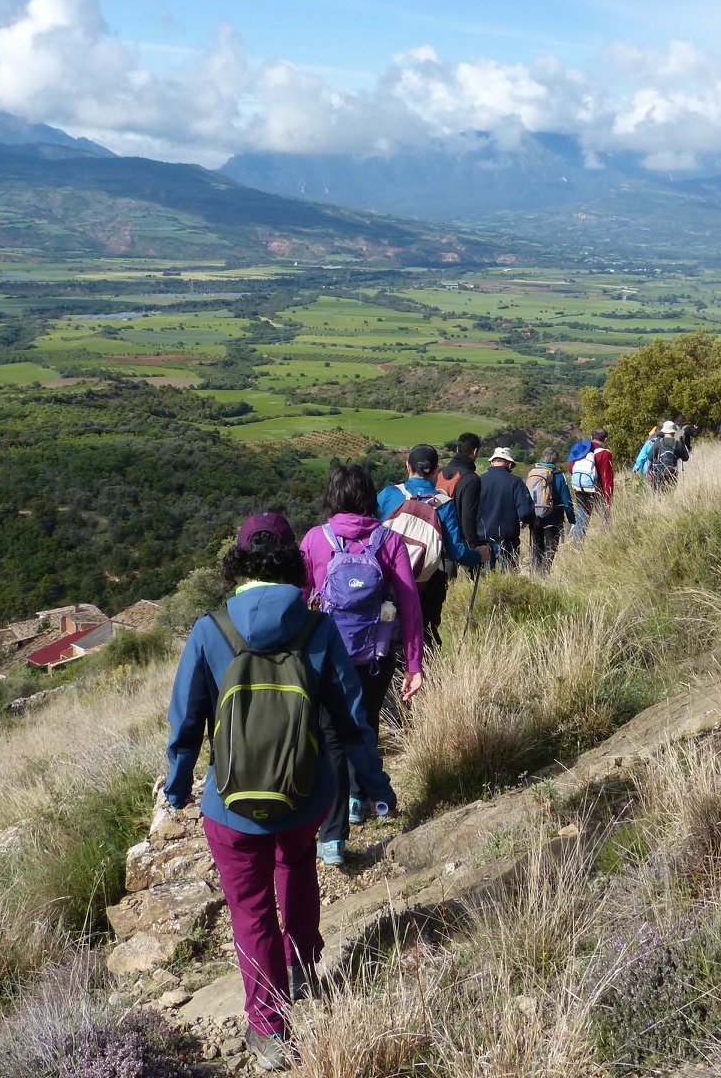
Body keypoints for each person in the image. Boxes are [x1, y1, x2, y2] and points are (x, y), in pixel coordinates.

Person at [163, 513, 395, 1071]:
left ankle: (269, 1030)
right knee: (297, 867)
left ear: (238, 563)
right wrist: (375, 785)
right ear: (293, 559)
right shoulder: (318, 629)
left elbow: (185, 723)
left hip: (231, 804)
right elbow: (353, 717)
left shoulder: (210, 630)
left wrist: (176, 787)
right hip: (303, 792)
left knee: (249, 909)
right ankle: (304, 965)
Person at [300, 464, 423, 868]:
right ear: (370, 496)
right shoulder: (389, 541)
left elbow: (301, 602)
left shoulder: (316, 541)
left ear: (332, 496)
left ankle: (333, 837)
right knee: (365, 725)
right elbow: (409, 605)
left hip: (327, 660)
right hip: (376, 656)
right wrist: (414, 663)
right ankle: (359, 800)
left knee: (331, 738)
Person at [376, 443, 488, 646]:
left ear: (407, 466)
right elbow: (457, 553)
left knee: (385, 637)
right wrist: (480, 555)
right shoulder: (443, 503)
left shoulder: (389, 494)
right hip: (423, 585)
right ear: (436, 470)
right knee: (423, 636)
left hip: (386, 583)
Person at [476, 446, 533, 569]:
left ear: (491, 462)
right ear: (510, 464)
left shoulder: (479, 481)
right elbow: (525, 511)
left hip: (482, 538)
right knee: (509, 576)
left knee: (484, 579)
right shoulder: (516, 482)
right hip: (507, 538)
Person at [526, 449, 575, 573]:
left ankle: (536, 575)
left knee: (537, 547)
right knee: (551, 547)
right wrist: (572, 520)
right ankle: (545, 573)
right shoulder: (558, 475)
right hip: (553, 518)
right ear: (556, 460)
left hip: (535, 517)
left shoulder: (533, 473)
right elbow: (567, 500)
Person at [435, 431, 484, 553]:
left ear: (457, 449)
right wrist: (473, 546)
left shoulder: (439, 473)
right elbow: (468, 516)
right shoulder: (471, 479)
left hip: (435, 537)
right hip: (458, 542)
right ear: (475, 451)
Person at [647, 419, 689, 491]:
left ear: (664, 431)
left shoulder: (658, 442)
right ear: (673, 431)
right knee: (670, 493)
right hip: (672, 472)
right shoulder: (678, 443)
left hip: (659, 472)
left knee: (658, 494)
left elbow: (650, 457)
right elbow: (686, 458)